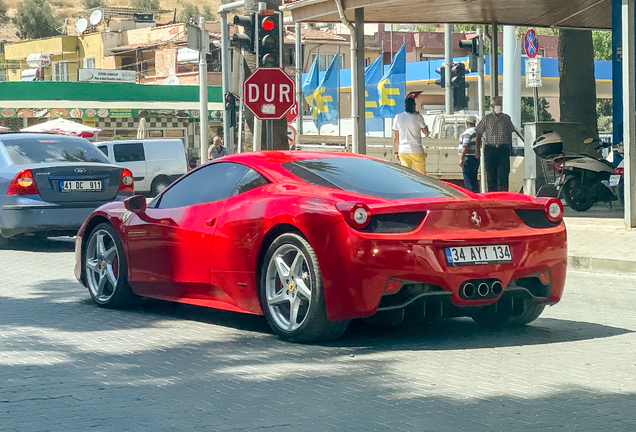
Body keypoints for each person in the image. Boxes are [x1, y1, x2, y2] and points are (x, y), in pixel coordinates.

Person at [475, 96, 516, 192]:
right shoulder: (486, 118)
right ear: (492, 106)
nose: (499, 107)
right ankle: (492, 195)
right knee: (491, 175)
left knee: (504, 174)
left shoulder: (506, 118)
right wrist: (477, 148)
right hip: (490, 149)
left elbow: (510, 133)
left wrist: (510, 148)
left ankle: (504, 195)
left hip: (503, 149)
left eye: (500, 104)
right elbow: (478, 133)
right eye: (496, 104)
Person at [392, 97, 430, 174]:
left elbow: (395, 137)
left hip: (403, 150)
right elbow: (426, 132)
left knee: (406, 175)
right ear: (414, 105)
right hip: (416, 150)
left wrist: (396, 152)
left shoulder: (398, 117)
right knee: (421, 176)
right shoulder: (418, 117)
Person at [458, 115, 480, 193]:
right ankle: (475, 193)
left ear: (467, 123)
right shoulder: (477, 131)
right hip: (475, 157)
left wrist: (461, 158)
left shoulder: (468, 132)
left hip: (468, 157)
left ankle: (470, 194)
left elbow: (465, 145)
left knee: (468, 178)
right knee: (474, 177)